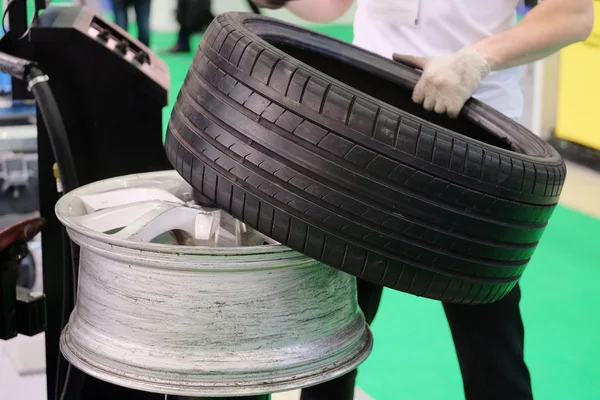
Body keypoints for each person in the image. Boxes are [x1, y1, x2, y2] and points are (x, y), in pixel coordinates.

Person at [252, 1, 594, 399]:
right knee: (334, 332)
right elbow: (331, 5)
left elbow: (572, 16)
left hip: (475, 146)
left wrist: (476, 60)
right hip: (363, 134)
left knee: (488, 341)